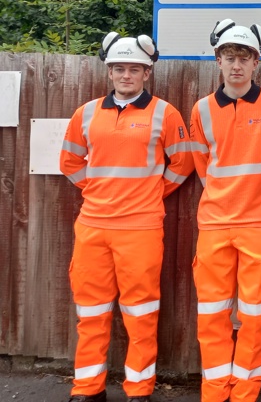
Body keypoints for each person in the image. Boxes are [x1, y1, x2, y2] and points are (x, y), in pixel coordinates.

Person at [60, 32, 195, 402]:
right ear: (109, 72)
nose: (126, 75)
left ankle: (139, 390)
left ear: (147, 73)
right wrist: (97, 189)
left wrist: (150, 192)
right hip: (93, 225)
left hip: (141, 227)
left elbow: (183, 162)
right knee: (91, 313)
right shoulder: (86, 113)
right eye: (119, 68)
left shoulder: (165, 113)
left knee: (141, 313)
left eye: (134, 69)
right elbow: (69, 161)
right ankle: (87, 389)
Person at [189, 19, 261, 402]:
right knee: (212, 313)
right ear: (218, 60)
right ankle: (214, 391)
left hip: (260, 223)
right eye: (229, 57)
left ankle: (245, 392)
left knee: (255, 313)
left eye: (244, 58)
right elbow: (202, 166)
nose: (236, 65)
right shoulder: (201, 109)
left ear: (256, 63)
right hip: (214, 222)